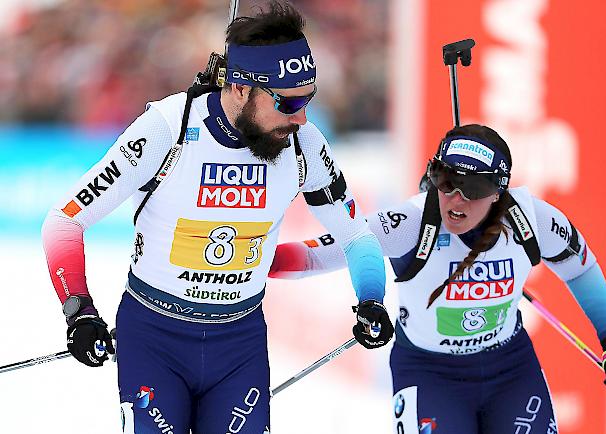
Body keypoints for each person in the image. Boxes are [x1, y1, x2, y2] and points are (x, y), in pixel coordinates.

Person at [41, 2, 394, 433]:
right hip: (154, 339)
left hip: (238, 343)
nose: (301, 117)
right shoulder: (168, 129)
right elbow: (65, 220)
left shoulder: (304, 145)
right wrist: (79, 310)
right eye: (288, 102)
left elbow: (356, 236)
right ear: (242, 89)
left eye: (308, 98)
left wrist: (371, 298)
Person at [269, 124, 606, 434]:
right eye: (446, 182)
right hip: (430, 375)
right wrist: (248, 261)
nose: (456, 200)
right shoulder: (411, 222)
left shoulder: (532, 220)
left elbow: (581, 267)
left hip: (510, 369)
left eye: (474, 189)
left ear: (498, 191)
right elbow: (319, 254)